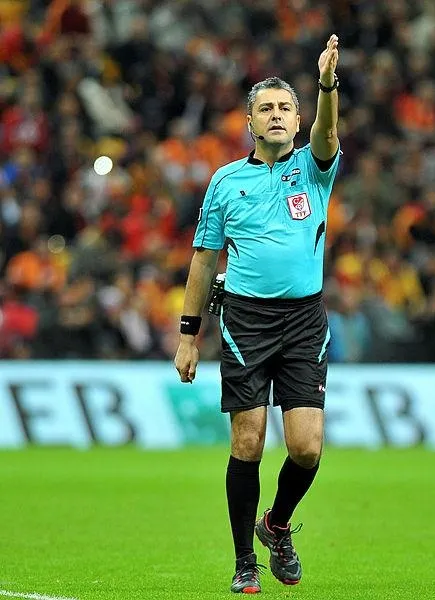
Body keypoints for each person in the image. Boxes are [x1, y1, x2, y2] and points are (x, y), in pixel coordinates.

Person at [174, 35, 341, 594]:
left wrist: (326, 84)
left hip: (304, 321)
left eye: (285, 107)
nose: (276, 115)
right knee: (247, 442)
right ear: (249, 122)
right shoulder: (226, 181)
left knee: (306, 447)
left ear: (298, 120)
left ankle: (276, 524)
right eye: (265, 108)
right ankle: (245, 561)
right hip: (245, 320)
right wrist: (188, 334)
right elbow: (204, 259)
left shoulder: (315, 169)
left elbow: (329, 132)